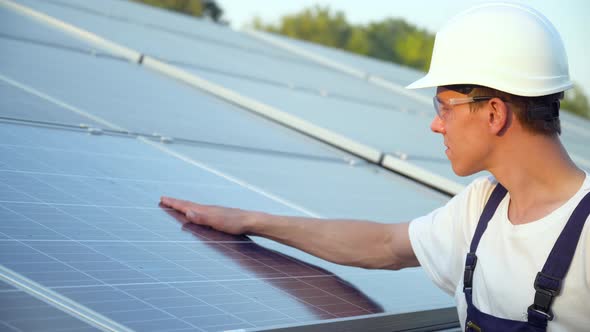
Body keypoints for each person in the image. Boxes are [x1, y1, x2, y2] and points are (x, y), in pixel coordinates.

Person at [161, 2, 589, 331]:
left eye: (444, 106)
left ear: (494, 113)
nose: (436, 123)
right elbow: (383, 245)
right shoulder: (483, 207)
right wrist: (250, 221)